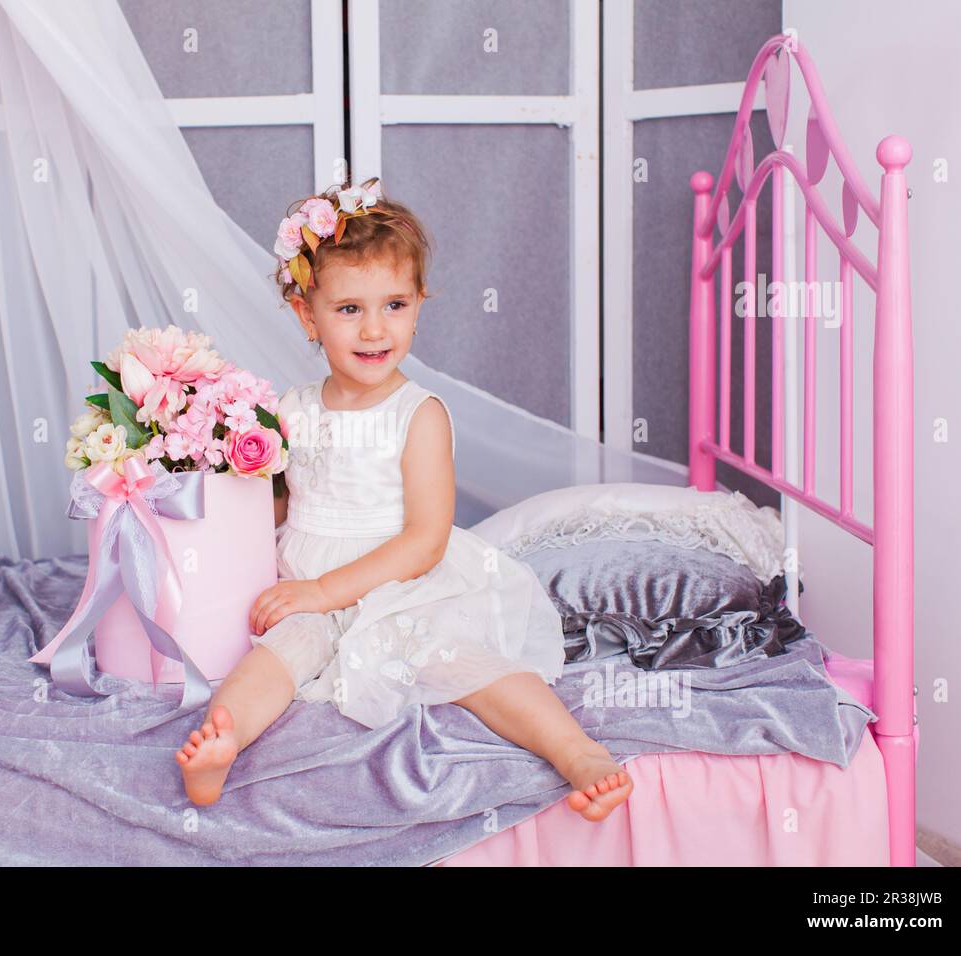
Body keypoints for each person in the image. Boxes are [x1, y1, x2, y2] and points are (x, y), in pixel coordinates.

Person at [175, 177, 632, 821]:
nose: (374, 329)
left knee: (466, 667)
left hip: (400, 586)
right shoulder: (295, 410)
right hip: (310, 587)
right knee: (276, 660)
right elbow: (278, 507)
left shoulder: (418, 414)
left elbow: (425, 540)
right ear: (308, 316)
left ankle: (576, 750)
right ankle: (223, 741)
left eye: (394, 304)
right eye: (349, 309)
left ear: (419, 304)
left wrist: (325, 591)